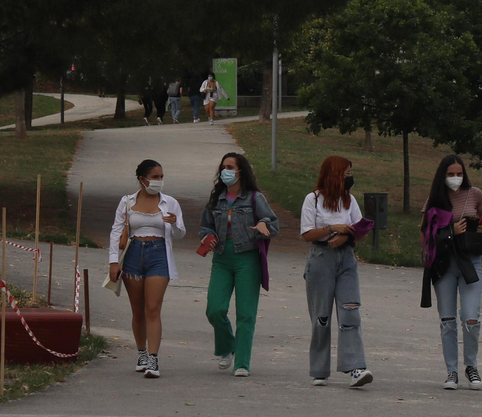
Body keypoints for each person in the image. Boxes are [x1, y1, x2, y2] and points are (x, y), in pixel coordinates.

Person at [420, 154, 482, 390]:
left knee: (471, 317)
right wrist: (449, 231)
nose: (455, 178)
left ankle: (471, 366)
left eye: (459, 173)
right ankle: (451, 371)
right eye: (450, 174)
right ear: (442, 176)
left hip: (469, 261)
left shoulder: (475, 193)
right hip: (444, 264)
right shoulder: (435, 199)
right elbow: (425, 233)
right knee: (447, 319)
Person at [199, 152, 280, 377]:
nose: (225, 171)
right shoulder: (216, 199)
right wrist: (206, 237)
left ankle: (242, 363)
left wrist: (263, 226)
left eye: (230, 167)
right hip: (222, 258)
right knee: (215, 309)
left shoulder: (254, 198)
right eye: (223, 167)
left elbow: (273, 224)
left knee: (245, 314)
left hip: (247, 258)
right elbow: (205, 226)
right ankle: (228, 346)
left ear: (240, 172)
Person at [109, 158, 187, 379]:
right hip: (133, 254)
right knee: (138, 309)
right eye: (155, 177)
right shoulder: (127, 202)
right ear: (142, 179)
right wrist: (113, 261)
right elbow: (116, 231)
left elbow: (180, 233)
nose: (159, 181)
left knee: (152, 308)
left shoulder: (170, 203)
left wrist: (173, 223)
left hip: (158, 254)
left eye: (161, 177)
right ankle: (141, 353)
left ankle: (153, 358)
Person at [300, 155, 372, 387]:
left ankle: (356, 368)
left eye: (350, 174)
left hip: (346, 259)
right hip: (321, 258)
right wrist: (331, 229)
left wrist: (346, 237)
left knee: (350, 311)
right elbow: (307, 234)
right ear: (333, 175)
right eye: (346, 174)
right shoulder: (313, 199)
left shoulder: (349, 200)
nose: (350, 178)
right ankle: (319, 370)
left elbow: (360, 228)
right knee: (321, 317)